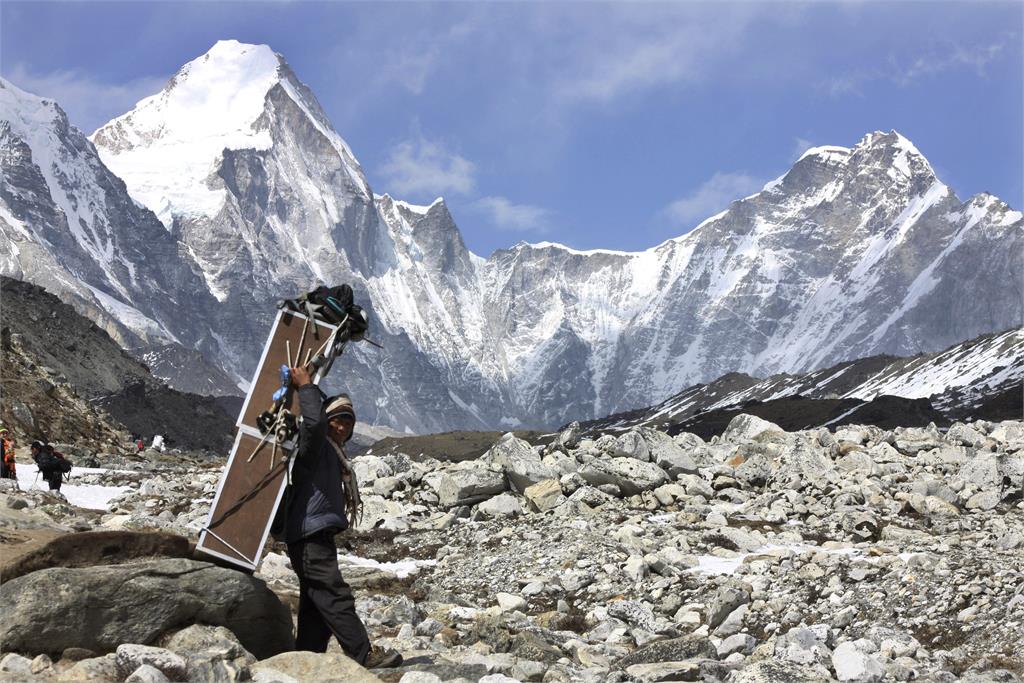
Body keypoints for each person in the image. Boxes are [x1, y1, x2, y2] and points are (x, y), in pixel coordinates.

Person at [273, 365, 401, 669]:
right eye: (337, 420)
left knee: (316, 602)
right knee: (333, 592)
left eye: (347, 422)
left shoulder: (334, 454)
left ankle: (306, 657)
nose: (342, 427)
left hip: (315, 533)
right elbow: (314, 423)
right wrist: (306, 386)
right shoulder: (314, 446)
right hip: (308, 533)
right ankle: (364, 655)